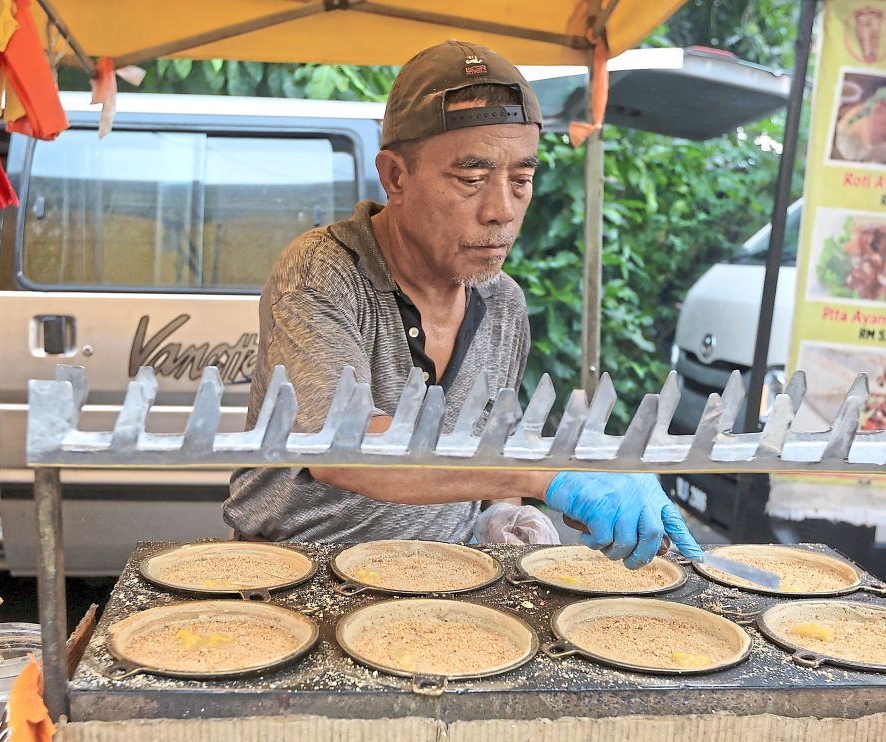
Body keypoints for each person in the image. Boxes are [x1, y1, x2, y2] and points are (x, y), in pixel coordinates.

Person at [223, 39, 704, 570]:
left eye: (522, 179)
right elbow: (344, 448)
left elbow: (491, 441)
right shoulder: (325, 271)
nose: (501, 210)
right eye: (471, 178)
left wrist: (506, 513)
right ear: (395, 176)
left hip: (448, 575)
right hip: (300, 576)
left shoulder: (502, 303)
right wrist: (545, 475)